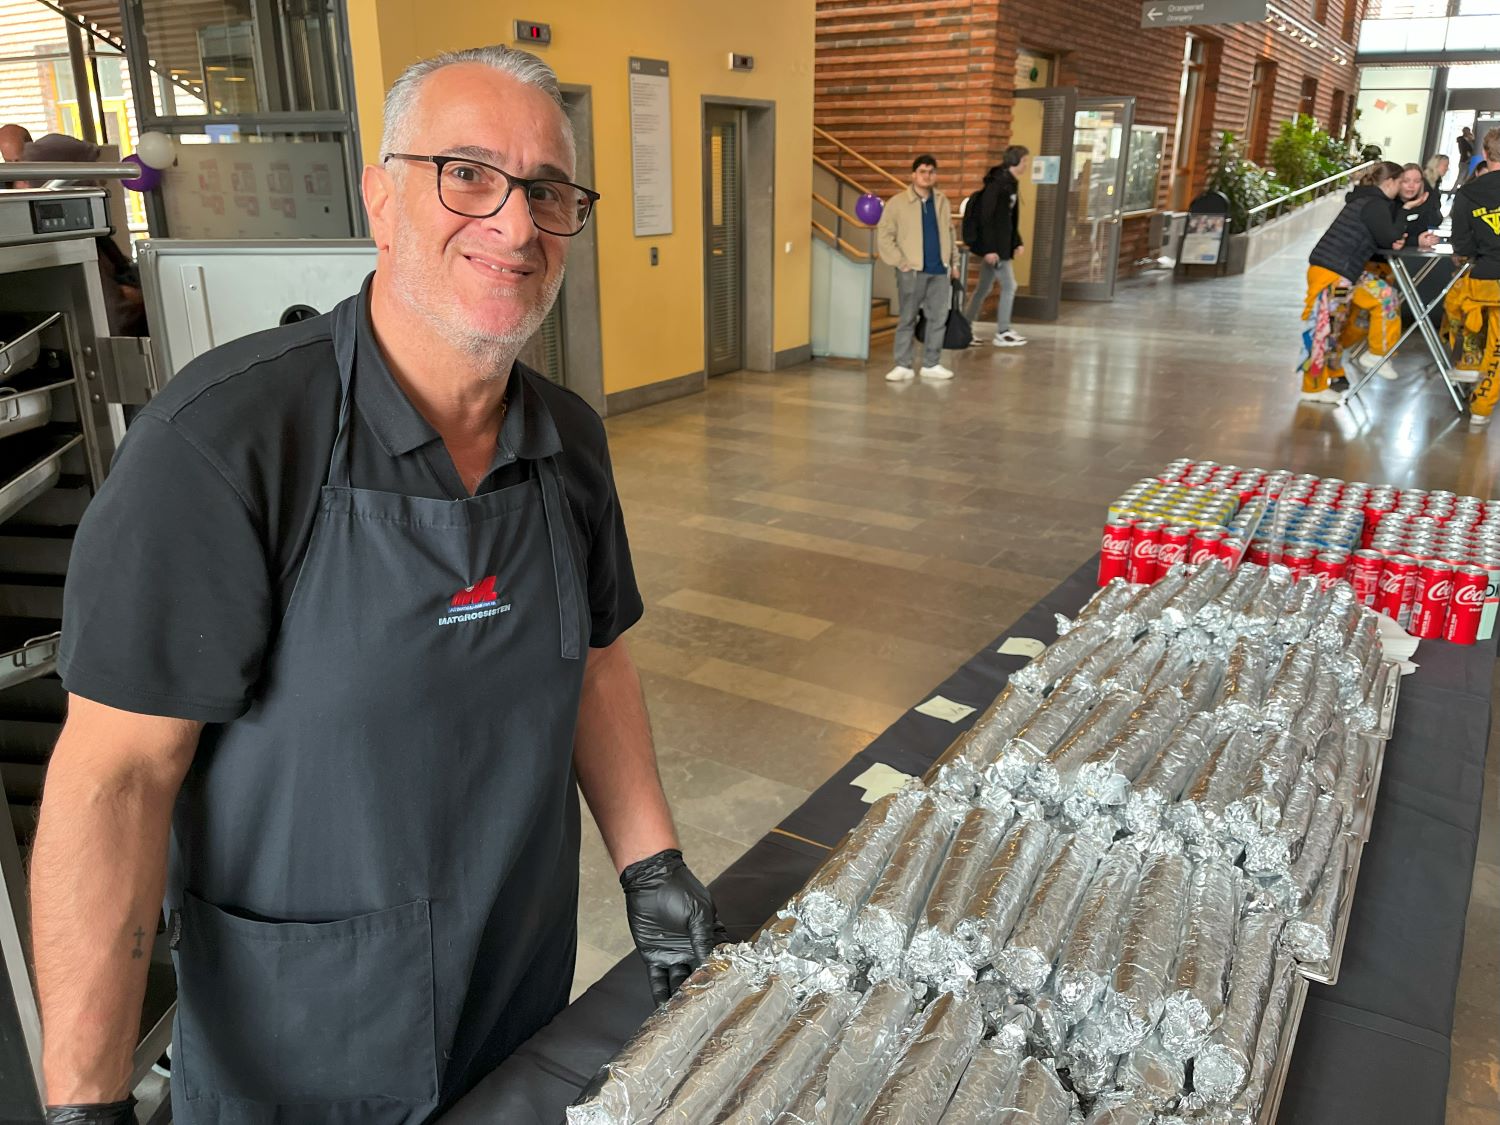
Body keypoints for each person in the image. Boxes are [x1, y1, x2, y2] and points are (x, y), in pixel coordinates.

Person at [29, 45, 722, 1125]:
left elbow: (595, 661)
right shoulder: (225, 444)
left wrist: (652, 867)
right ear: (382, 199)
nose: (515, 225)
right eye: (468, 175)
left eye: (548, 190)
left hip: (516, 1004)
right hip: (300, 1045)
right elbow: (114, 781)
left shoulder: (569, 443)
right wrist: (85, 1102)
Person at [0, 124, 146, 334]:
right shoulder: (66, 242)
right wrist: (139, 298)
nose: (18, 185)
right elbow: (113, 318)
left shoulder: (78, 234)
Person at [1298, 161, 1406, 404]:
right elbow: (1389, 237)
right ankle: (1312, 387)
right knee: (1325, 329)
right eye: (1400, 182)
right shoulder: (1375, 203)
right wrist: (1405, 212)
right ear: (1390, 182)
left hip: (1342, 272)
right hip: (1333, 273)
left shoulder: (1366, 200)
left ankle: (1376, 354)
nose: (1401, 189)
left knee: (1384, 297)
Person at [876, 154, 959, 382]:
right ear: (913, 175)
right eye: (922, 171)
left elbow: (950, 233)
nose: (927, 176)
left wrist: (954, 263)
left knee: (938, 319)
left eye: (931, 172)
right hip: (911, 271)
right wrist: (900, 261)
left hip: (939, 270)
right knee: (907, 319)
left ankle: (931, 364)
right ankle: (903, 364)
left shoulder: (941, 201)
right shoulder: (897, 203)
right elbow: (884, 235)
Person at [1449, 128, 1500, 427]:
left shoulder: (1467, 193)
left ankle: (1467, 360)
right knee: (1498, 347)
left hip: (1482, 279)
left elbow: (1462, 244)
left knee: (1460, 306)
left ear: (1484, 154)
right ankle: (1481, 407)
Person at [962, 145, 1029, 347]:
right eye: (1025, 161)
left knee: (983, 288)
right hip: (996, 249)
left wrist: (1016, 241)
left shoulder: (1010, 184)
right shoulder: (997, 185)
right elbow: (987, 219)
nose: (1027, 165)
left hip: (1001, 246)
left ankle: (964, 329)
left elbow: (1008, 219)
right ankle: (1003, 332)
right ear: (1015, 162)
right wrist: (990, 249)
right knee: (1010, 286)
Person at [1396, 162, 1443, 246]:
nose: (1411, 185)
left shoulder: (1423, 202)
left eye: (1417, 181)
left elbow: (1434, 221)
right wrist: (1416, 241)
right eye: (1406, 181)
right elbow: (1390, 238)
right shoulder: (1388, 204)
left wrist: (1428, 239)